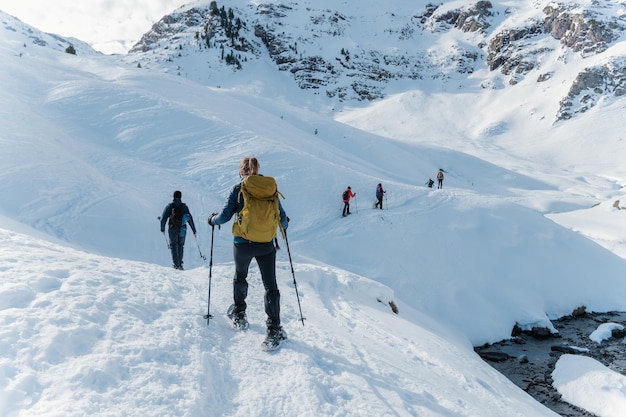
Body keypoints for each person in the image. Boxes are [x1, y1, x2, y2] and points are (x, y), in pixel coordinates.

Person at [208, 157, 289, 347]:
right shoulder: (270, 189)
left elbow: (225, 216)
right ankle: (274, 329)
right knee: (271, 285)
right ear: (258, 169)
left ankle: (239, 313)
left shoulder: (239, 189)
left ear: (241, 171)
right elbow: (283, 221)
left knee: (240, 276)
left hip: (242, 244)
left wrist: (212, 220)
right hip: (266, 246)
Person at [160, 190, 197, 270]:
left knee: (173, 245)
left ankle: (176, 264)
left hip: (172, 228)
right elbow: (190, 219)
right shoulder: (184, 207)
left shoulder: (169, 206)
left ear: (173, 196)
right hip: (182, 229)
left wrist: (162, 229)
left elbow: (163, 218)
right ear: (181, 197)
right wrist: (194, 230)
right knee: (180, 245)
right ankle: (180, 263)